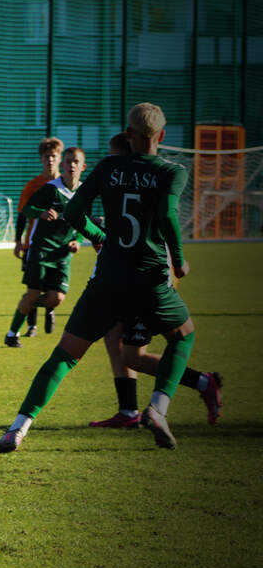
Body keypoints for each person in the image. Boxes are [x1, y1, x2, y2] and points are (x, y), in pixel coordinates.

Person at [0, 102, 194, 452]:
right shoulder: (172, 172)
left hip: (109, 278)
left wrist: (99, 237)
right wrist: (178, 260)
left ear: (128, 134)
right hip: (150, 279)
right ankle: (158, 409)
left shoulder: (109, 167)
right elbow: (166, 214)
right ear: (161, 135)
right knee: (182, 337)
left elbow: (73, 211)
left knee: (65, 355)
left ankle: (17, 429)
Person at [88, 132, 223, 427]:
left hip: (146, 280)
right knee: (113, 338)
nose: (111, 164)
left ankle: (203, 382)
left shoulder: (144, 181)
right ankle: (128, 412)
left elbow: (149, 228)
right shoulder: (124, 183)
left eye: (114, 157)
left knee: (133, 356)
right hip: (126, 278)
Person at [4, 147, 96, 348]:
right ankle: (12, 334)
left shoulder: (84, 193)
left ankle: (27, 304)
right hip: (42, 249)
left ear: (83, 167)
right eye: (68, 161)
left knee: (57, 298)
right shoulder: (50, 189)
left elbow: (85, 221)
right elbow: (26, 209)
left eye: (76, 162)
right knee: (34, 293)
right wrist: (41, 213)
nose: (72, 165)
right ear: (62, 165)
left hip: (63, 253)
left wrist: (78, 241)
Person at [12, 137, 64, 337]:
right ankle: (31, 326)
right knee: (33, 287)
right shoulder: (33, 185)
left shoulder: (66, 184)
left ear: (60, 158)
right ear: (41, 159)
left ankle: (49, 308)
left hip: (58, 245)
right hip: (33, 245)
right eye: (46, 156)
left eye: (54, 156)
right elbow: (22, 214)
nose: (50, 160)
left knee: (53, 289)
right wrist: (18, 241)